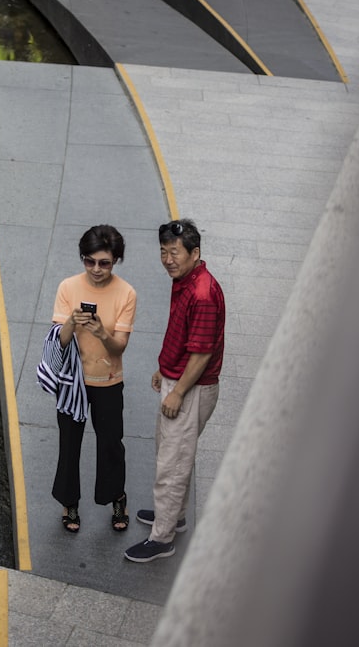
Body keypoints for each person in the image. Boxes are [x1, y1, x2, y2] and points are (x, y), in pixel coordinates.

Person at [125, 219, 225, 562]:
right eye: (164, 252)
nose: (168, 259)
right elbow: (186, 339)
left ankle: (162, 538)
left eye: (175, 252)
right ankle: (174, 517)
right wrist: (163, 368)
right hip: (178, 379)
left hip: (190, 388)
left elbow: (201, 353)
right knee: (173, 455)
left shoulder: (202, 292)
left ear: (195, 253)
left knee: (171, 464)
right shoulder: (185, 279)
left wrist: (178, 391)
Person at [50, 225, 137, 533]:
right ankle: (68, 500)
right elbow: (58, 342)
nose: (96, 269)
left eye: (104, 263)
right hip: (73, 380)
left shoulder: (126, 293)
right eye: (90, 261)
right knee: (69, 442)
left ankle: (117, 496)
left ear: (116, 261)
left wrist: (102, 332)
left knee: (111, 442)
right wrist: (73, 322)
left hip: (109, 381)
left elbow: (120, 347)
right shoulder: (67, 287)